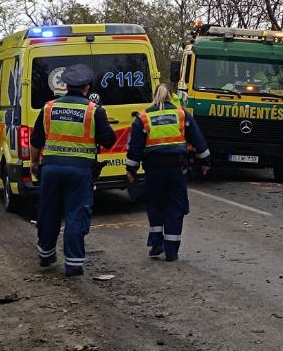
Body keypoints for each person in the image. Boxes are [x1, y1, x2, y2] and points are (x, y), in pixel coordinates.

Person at [29, 64, 116, 277]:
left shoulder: (48, 108)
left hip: (50, 168)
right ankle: (74, 263)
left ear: (65, 86)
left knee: (48, 211)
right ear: (87, 87)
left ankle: (46, 253)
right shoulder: (94, 111)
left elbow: (36, 140)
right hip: (80, 171)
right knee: (76, 214)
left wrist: (34, 163)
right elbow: (109, 141)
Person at [125, 84, 211, 261]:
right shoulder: (181, 114)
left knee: (155, 204)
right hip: (175, 170)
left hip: (153, 169)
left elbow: (135, 147)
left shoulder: (143, 117)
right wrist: (205, 162)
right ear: (171, 96)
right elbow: (198, 140)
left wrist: (131, 169)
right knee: (175, 207)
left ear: (154, 96)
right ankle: (171, 251)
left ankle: (156, 242)